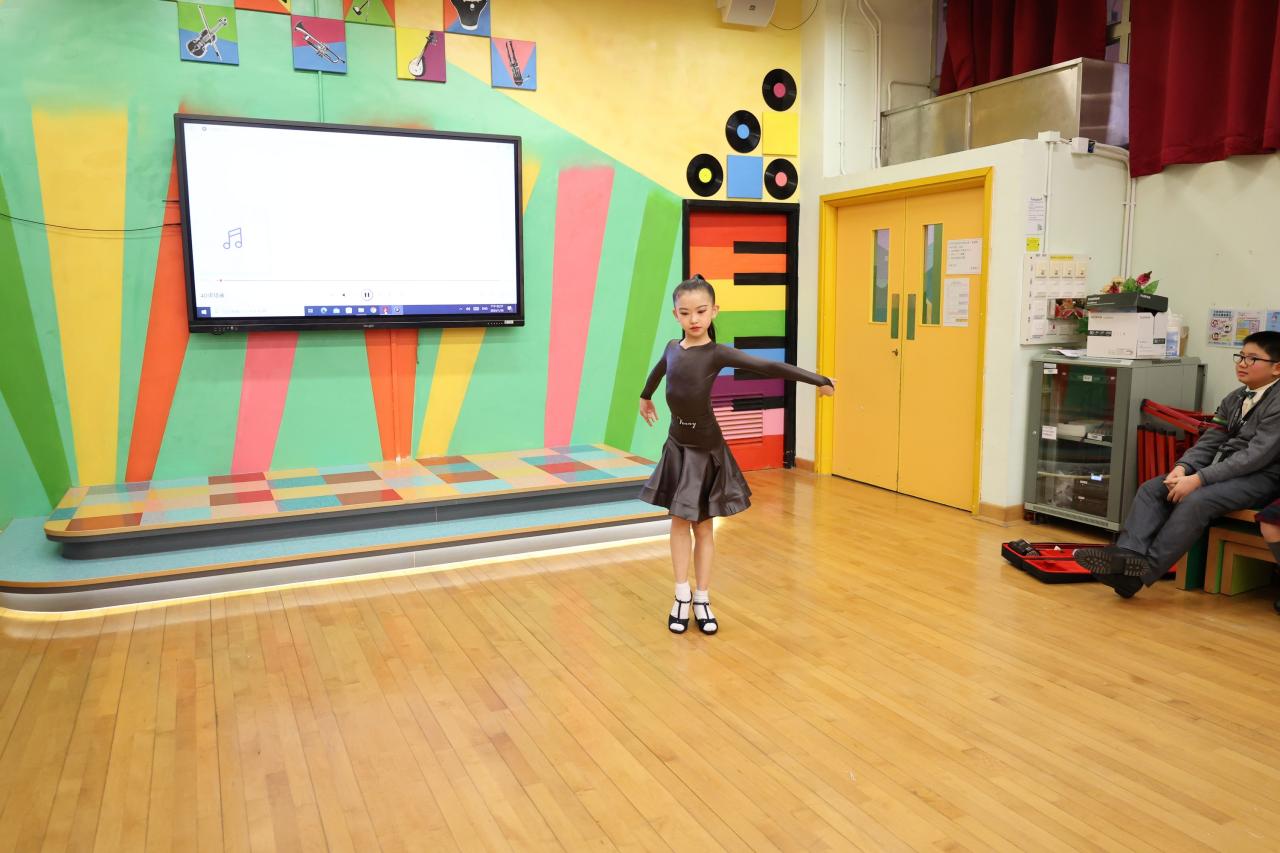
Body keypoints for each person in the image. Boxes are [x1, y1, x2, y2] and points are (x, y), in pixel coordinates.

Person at [638, 275, 835, 634]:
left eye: (701, 311)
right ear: (675, 314)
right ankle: (680, 595)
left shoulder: (718, 353)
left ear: (714, 311)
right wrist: (645, 396)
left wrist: (818, 380)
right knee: (678, 521)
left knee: (703, 525)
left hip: (705, 450)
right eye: (686, 313)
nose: (694, 319)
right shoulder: (671, 347)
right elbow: (659, 370)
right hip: (677, 445)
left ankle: (702, 598)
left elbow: (769, 367)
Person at [1077, 331, 1280, 597]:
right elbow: (1209, 442)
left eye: (1252, 359)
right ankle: (1126, 556)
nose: (1242, 364)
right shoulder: (1235, 398)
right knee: (1152, 488)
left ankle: (1139, 575)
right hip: (1225, 472)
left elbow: (1255, 457)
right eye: (1240, 356)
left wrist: (1199, 479)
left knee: (1197, 500)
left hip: (1262, 478)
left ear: (1277, 368)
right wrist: (1182, 468)